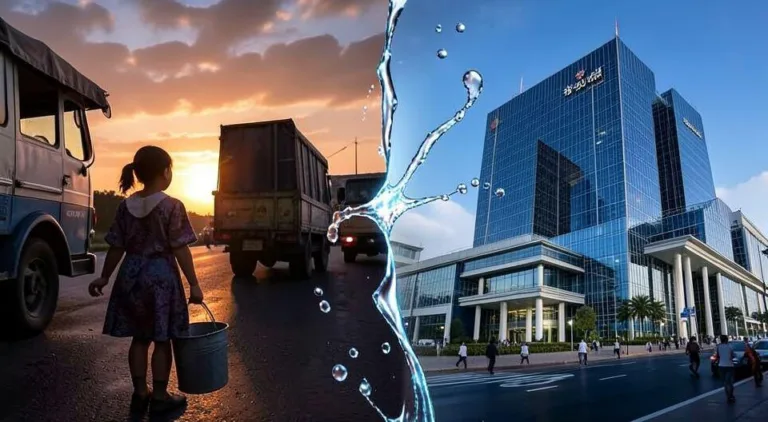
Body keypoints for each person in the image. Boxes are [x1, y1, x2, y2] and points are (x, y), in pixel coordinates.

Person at [88, 146, 203, 415]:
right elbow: (180, 248)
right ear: (165, 172)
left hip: (131, 276)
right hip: (161, 278)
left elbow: (117, 246)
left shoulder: (125, 206)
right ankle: (160, 396)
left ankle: (141, 393)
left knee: (139, 338)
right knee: (162, 340)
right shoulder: (172, 206)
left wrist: (105, 277)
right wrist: (194, 284)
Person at [716, 335, 736, 403]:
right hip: (729, 365)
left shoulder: (718, 346)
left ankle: (728, 396)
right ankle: (731, 395)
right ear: (726, 340)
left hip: (721, 365)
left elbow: (718, 355)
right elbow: (733, 355)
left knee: (725, 382)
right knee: (730, 382)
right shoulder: (730, 346)